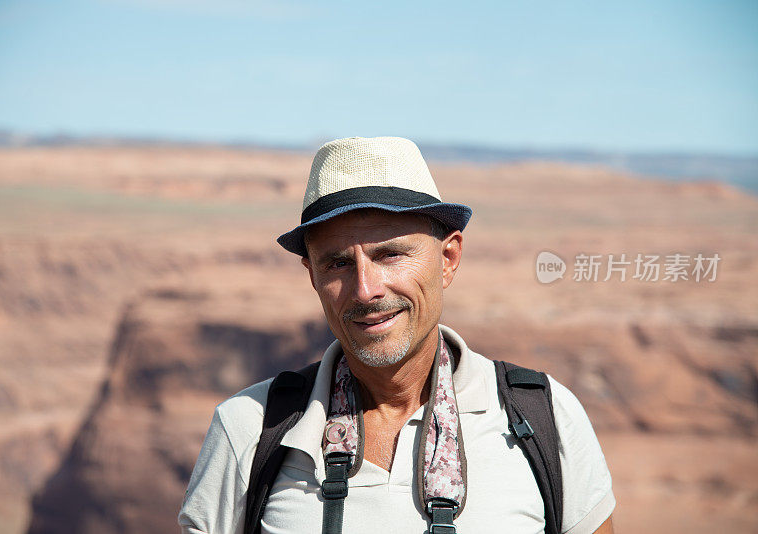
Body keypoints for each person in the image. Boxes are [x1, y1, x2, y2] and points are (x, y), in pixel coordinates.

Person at [178, 136, 615, 533]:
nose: (366, 290)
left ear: (448, 258)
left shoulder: (544, 417)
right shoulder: (249, 429)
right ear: (311, 275)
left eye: (390, 255)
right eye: (338, 264)